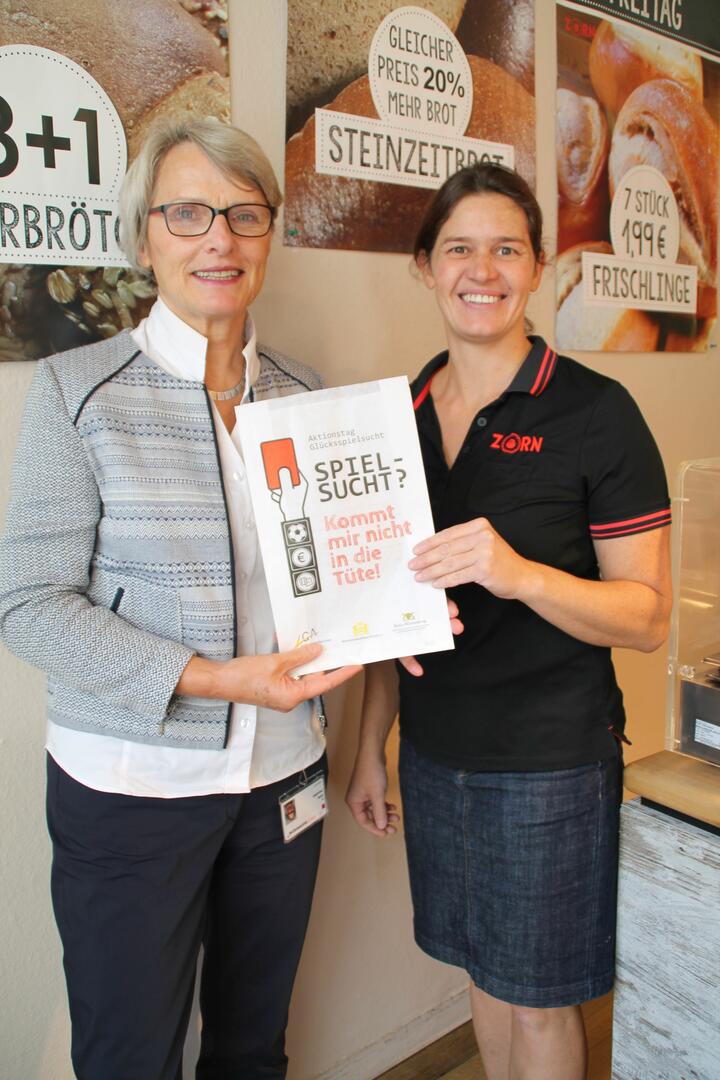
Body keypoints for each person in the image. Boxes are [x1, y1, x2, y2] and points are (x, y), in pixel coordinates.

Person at [0, 116, 360, 1080]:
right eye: (188, 213)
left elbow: (331, 580)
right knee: (128, 1059)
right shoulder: (78, 392)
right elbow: (28, 603)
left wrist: (393, 613)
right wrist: (215, 679)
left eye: (245, 214)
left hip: (283, 779)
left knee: (252, 1049)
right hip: (133, 789)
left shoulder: (307, 397)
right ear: (144, 236)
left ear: (269, 234)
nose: (219, 240)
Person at [346, 163, 672, 1080]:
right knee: (483, 979)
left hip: (548, 764)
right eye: (459, 249)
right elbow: (387, 617)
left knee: (539, 1001)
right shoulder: (397, 416)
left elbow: (646, 616)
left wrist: (518, 574)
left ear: (537, 267)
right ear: (425, 266)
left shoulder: (596, 413)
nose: (481, 270)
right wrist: (370, 748)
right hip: (435, 756)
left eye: (506, 249)